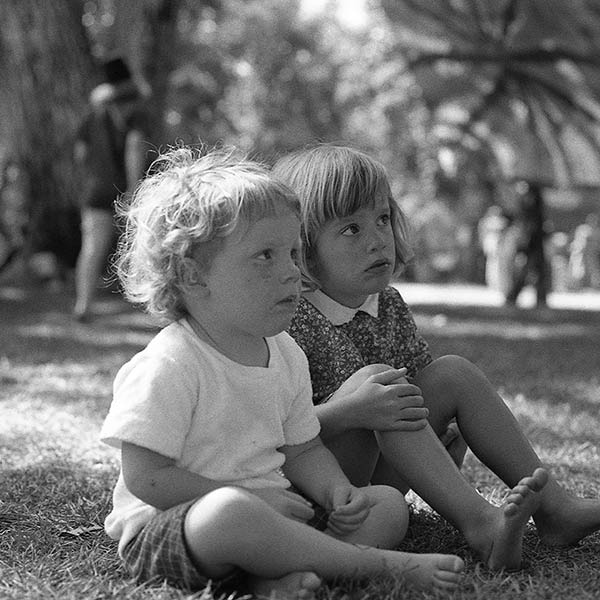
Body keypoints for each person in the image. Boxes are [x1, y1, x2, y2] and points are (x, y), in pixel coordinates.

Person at [100, 145, 468, 599]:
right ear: (194, 277)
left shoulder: (285, 353)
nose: (292, 272)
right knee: (229, 512)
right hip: (178, 525)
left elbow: (302, 448)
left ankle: (280, 577)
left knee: (387, 506)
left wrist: (336, 492)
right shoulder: (170, 364)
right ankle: (373, 565)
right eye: (265, 257)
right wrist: (251, 498)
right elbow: (147, 479)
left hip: (277, 510)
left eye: (293, 253)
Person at [272, 143, 600, 572]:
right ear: (304, 246)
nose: (377, 240)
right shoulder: (287, 317)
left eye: (383, 219)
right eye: (351, 229)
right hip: (318, 489)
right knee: (382, 384)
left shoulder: (386, 303)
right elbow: (270, 435)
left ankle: (556, 510)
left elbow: (428, 396)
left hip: (380, 479)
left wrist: (446, 429)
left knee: (452, 373)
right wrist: (349, 412)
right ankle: (484, 526)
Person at [73, 57, 150, 321]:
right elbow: (135, 145)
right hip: (121, 187)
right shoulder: (135, 108)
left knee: (92, 247)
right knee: (142, 243)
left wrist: (92, 176)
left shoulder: (93, 113)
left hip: (95, 189)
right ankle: (146, 299)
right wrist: (132, 187)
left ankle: (83, 304)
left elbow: (80, 153)